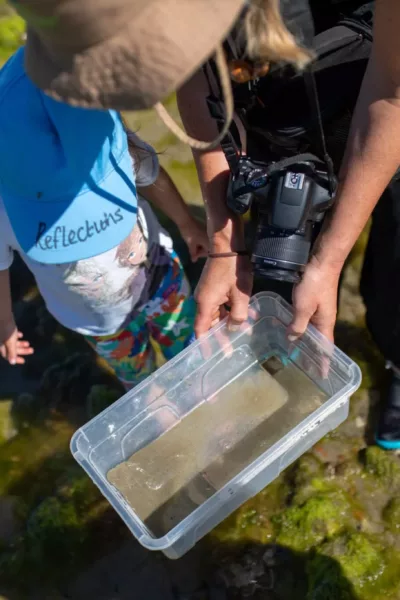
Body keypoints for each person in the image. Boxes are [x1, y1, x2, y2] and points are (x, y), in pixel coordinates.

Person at [8, 0, 400, 447]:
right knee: (277, 268)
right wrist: (225, 242)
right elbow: (200, 80)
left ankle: (396, 357)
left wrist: (330, 260)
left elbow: (392, 94)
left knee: (393, 276)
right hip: (269, 106)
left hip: (382, 100)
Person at [0, 47, 208, 389]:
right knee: (140, 381)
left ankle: (198, 381)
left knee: (191, 348)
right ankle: (151, 398)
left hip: (159, 276)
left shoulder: (113, 143)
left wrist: (186, 223)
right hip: (98, 321)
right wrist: (5, 320)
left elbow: (148, 173)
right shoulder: (3, 204)